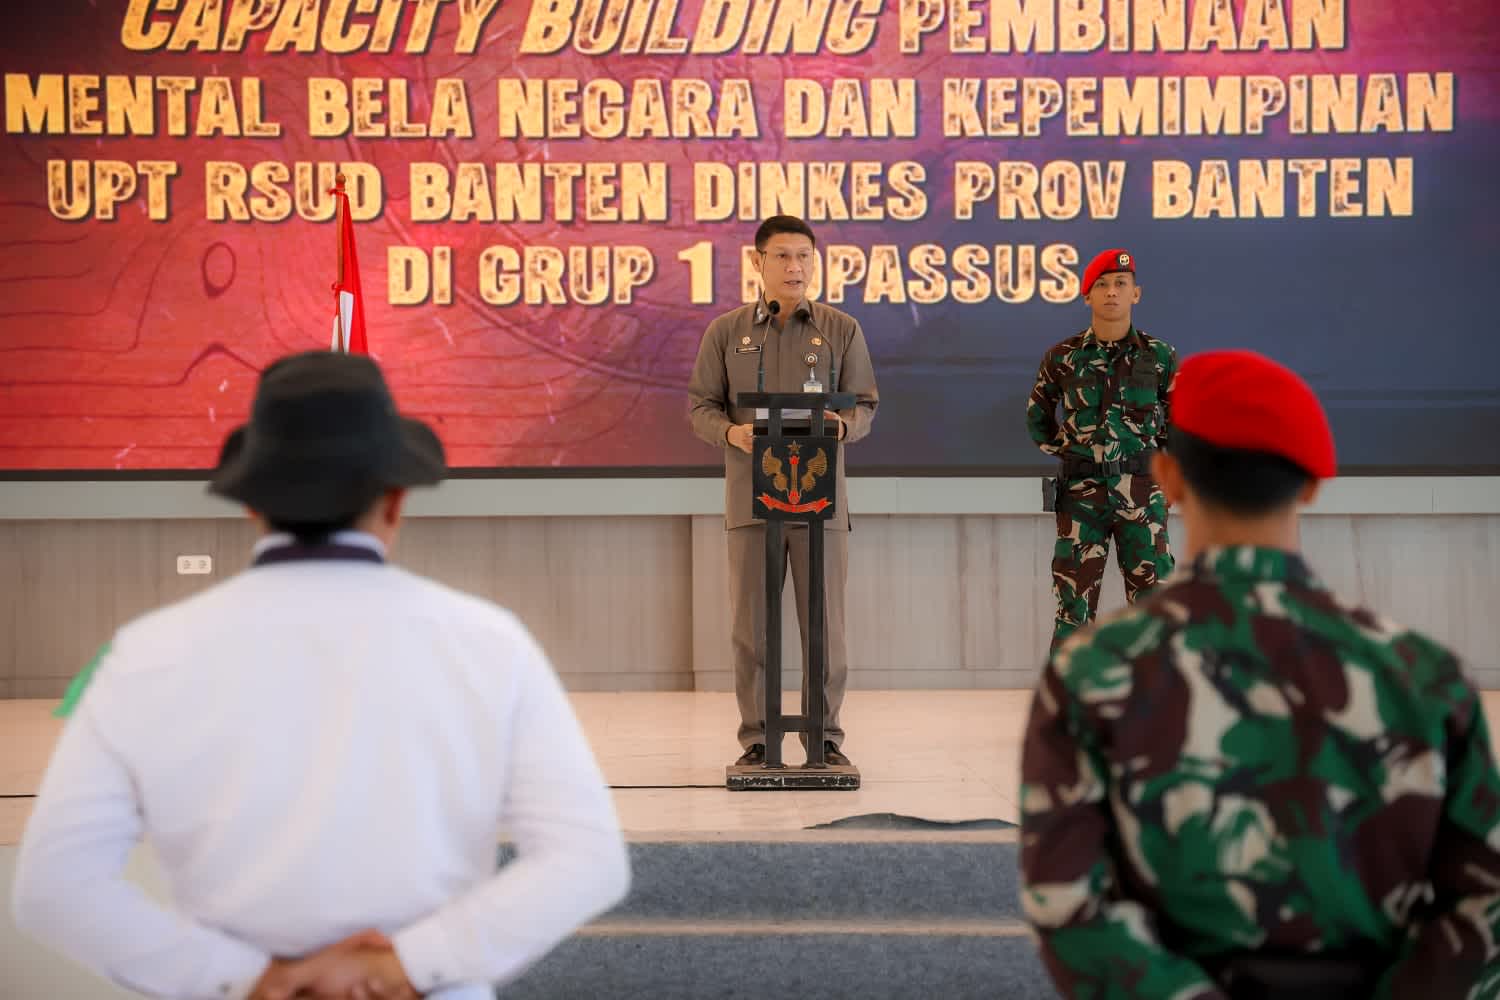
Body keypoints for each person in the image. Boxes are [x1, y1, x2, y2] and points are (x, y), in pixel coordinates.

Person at [12, 350, 630, 999]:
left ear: (253, 505)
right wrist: (407, 966)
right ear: (394, 501)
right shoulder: (488, 643)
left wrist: (248, 980)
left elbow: (57, 889)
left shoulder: (146, 653)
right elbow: (585, 863)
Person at [1019, 349, 1500, 998]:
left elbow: (1069, 907)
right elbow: (1483, 912)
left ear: (1168, 478)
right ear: (1312, 484)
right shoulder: (1423, 676)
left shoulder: (1094, 671)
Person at [687, 215, 879, 768]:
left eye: (804, 257)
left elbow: (863, 403)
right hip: (753, 499)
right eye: (782, 257)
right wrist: (732, 433)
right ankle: (757, 740)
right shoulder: (728, 332)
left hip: (821, 502)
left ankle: (824, 740)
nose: (795, 267)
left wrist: (843, 428)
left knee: (825, 627)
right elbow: (702, 405)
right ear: (757, 263)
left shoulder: (840, 329)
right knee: (752, 630)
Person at [1026, 248, 1177, 651]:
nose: (1112, 292)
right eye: (1102, 285)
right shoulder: (1062, 357)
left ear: (1136, 294)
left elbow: (1179, 425)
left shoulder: (1160, 356)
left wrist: (1153, 463)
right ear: (1086, 296)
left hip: (1143, 495)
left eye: (1121, 284)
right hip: (1081, 498)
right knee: (1073, 610)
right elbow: (1037, 418)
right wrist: (1073, 451)